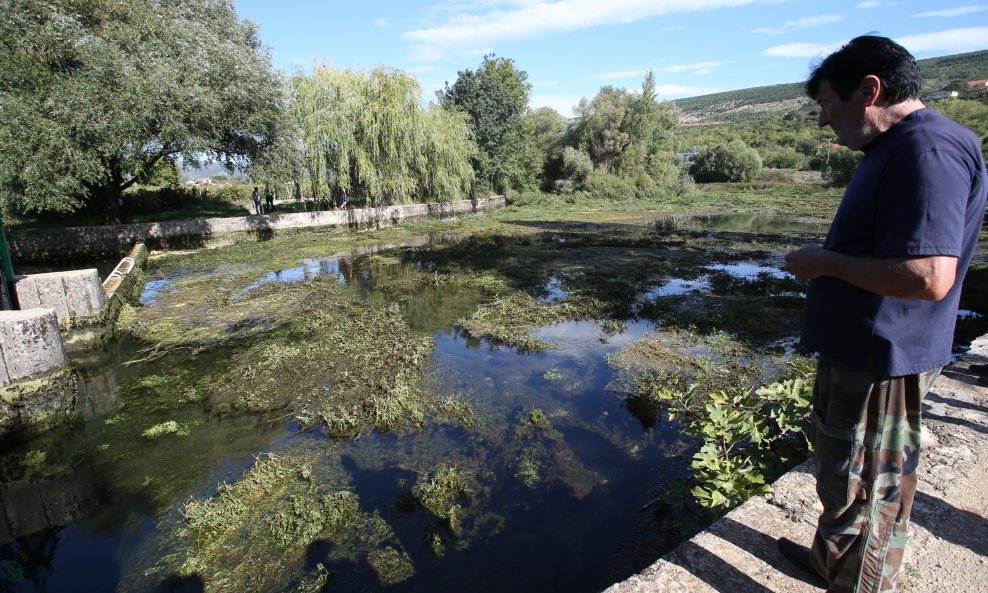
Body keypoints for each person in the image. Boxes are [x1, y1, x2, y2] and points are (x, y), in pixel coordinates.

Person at [782, 35, 986, 593]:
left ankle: (859, 580)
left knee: (868, 494)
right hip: (863, 350)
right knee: (840, 477)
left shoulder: (929, 150)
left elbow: (928, 276)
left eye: (828, 104)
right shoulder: (896, 149)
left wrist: (824, 262)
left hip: (884, 358)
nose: (824, 121)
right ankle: (831, 564)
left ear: (870, 90)